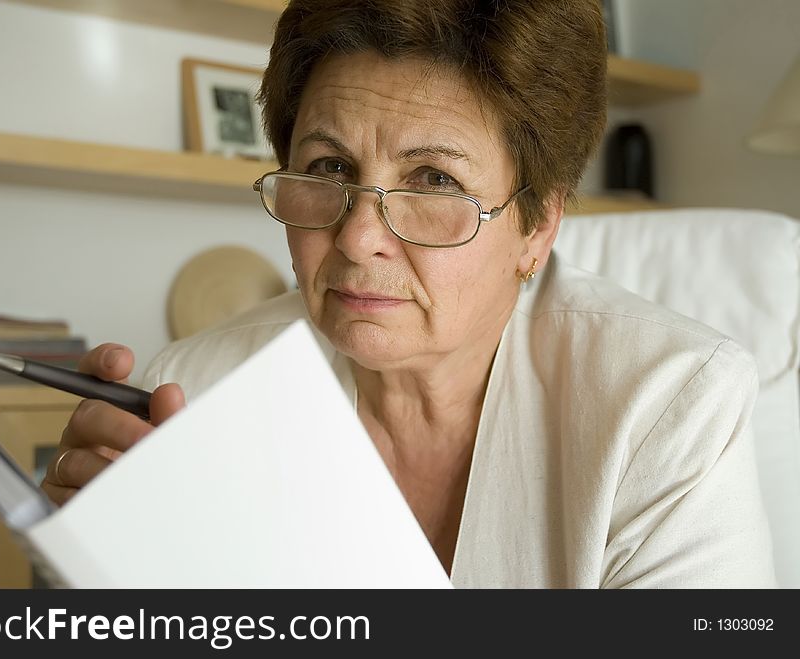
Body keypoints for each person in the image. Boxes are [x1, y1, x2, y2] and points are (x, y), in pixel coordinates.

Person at [42, 0, 776, 588]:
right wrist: (90, 576)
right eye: (328, 166)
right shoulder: (191, 391)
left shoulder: (669, 406)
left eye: (434, 180)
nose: (359, 237)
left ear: (537, 226)